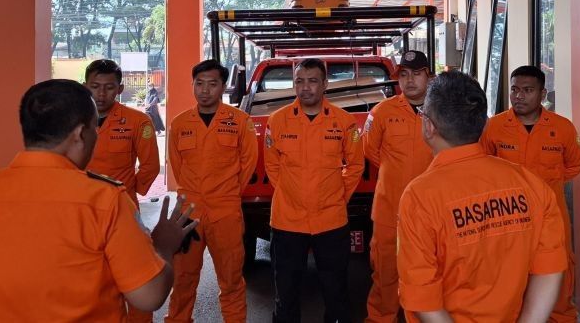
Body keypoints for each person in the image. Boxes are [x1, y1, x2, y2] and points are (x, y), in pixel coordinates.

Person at [0, 79, 199, 322]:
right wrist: (164, 244)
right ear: (80, 134)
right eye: (94, 130)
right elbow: (148, 296)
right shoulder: (105, 200)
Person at [397, 70, 567, 322]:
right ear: (485, 125)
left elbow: (423, 298)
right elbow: (549, 270)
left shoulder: (420, 196)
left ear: (428, 126)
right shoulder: (531, 184)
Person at [480, 65, 580, 323]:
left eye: (528, 90)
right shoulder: (494, 127)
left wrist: (546, 190)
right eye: (515, 89)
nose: (519, 96)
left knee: (558, 278)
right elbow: (482, 167)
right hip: (507, 221)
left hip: (552, 220)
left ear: (542, 93)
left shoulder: (563, 129)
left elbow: (573, 166)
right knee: (509, 281)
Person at [264, 58, 364, 323]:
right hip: (287, 222)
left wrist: (336, 197)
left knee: (336, 293)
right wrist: (291, 193)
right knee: (285, 294)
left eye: (312, 81)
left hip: (331, 222)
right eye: (299, 81)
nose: (305, 88)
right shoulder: (278, 120)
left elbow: (355, 165)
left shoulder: (344, 122)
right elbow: (272, 166)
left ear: (325, 84)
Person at [166, 59, 258, 323]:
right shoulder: (180, 123)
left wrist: (226, 194)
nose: (204, 90)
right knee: (183, 278)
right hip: (188, 213)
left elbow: (248, 163)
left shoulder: (240, 121)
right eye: (199, 83)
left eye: (212, 84)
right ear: (193, 85)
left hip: (225, 211)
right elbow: (177, 165)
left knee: (230, 279)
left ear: (223, 87)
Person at [84, 59, 162, 323]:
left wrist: (133, 191)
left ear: (120, 88)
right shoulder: (73, 121)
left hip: (124, 212)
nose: (101, 93)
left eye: (108, 87)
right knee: (92, 281)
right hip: (82, 212)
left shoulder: (137, 121)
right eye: (95, 87)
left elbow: (150, 164)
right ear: (86, 86)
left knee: (136, 278)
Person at [362, 50, 434, 322]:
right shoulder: (382, 112)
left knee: (430, 274)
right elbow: (371, 151)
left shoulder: (444, 111)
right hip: (389, 211)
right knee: (385, 274)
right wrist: (398, 173)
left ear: (430, 75)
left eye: (416, 74)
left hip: (432, 212)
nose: (410, 80)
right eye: (403, 74)